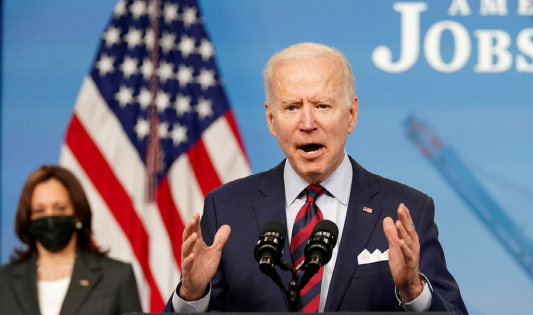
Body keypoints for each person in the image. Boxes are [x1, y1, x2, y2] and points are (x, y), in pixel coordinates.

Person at [164, 42, 468, 313]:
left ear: (351, 114)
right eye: (292, 107)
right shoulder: (227, 208)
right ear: (271, 119)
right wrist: (192, 295)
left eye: (323, 106)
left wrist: (414, 291)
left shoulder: (406, 209)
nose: (307, 123)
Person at [0, 165, 143, 315]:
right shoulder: (3, 280)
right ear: (28, 219)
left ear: (78, 214)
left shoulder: (117, 276)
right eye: (39, 211)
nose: (50, 217)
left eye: (60, 208)